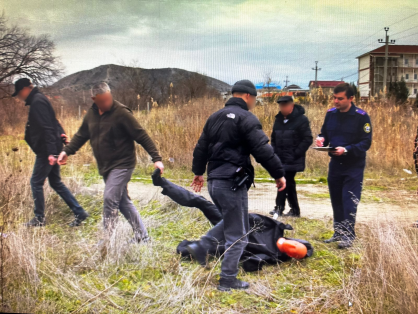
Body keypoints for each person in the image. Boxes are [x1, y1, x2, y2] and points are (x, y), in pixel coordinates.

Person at [190, 80, 286, 291]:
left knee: (236, 221)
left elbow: (201, 147)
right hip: (231, 182)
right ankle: (227, 280)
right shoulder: (246, 118)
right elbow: (262, 150)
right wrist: (279, 174)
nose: (254, 103)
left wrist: (198, 172)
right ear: (247, 97)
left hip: (214, 180)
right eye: (255, 99)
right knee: (239, 235)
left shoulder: (214, 117)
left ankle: (202, 245)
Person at [151, 169, 313, 274]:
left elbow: (251, 263)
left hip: (229, 241)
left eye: (293, 252)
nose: (292, 248)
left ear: (290, 255)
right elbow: (251, 217)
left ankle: (189, 247)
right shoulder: (276, 227)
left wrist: (254, 264)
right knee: (202, 202)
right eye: (296, 246)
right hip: (231, 220)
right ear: (295, 240)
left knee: (191, 250)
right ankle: (163, 183)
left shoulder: (273, 255)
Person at [57, 82, 164, 243]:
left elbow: (141, 135)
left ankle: (106, 243)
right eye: (103, 101)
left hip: (123, 164)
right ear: (94, 99)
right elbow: (81, 135)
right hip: (106, 167)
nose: (107, 103)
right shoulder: (91, 115)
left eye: (109, 99)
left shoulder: (121, 113)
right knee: (122, 201)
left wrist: (157, 159)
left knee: (109, 199)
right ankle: (143, 236)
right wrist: (66, 151)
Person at [12, 78, 88, 227]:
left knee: (36, 182)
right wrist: (62, 134)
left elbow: (47, 127)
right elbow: (54, 122)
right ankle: (79, 212)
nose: (20, 97)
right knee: (56, 182)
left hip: (46, 150)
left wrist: (52, 153)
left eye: (20, 93)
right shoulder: (40, 99)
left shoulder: (37, 102)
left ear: (25, 89)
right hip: (51, 147)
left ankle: (39, 218)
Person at [316, 83, 372, 249]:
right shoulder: (331, 114)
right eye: (334, 98)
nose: (336, 101)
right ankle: (338, 232)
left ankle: (349, 235)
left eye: (340, 98)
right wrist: (321, 140)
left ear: (351, 98)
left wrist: (347, 149)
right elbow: (324, 133)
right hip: (335, 164)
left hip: (353, 165)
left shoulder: (361, 117)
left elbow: (366, 142)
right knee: (337, 199)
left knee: (349, 200)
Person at [269, 96, 313, 217]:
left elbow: (307, 139)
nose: (282, 107)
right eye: (281, 105)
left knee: (285, 180)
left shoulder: (301, 120)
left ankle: (279, 207)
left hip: (293, 158)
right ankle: (294, 209)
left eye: (285, 105)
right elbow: (273, 138)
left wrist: (296, 153)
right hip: (280, 157)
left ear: (291, 106)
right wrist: (274, 152)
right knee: (288, 182)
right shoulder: (278, 120)